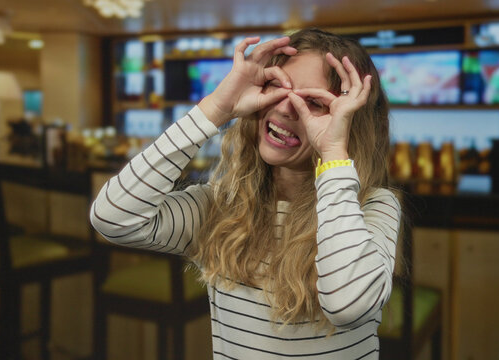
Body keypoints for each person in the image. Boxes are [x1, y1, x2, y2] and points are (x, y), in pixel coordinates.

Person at [91, 28, 400, 359]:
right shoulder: (221, 204)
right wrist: (215, 108)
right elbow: (112, 217)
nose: (285, 109)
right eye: (277, 87)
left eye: (313, 102)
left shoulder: (371, 207)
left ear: (352, 122)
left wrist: (334, 153)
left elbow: (348, 304)